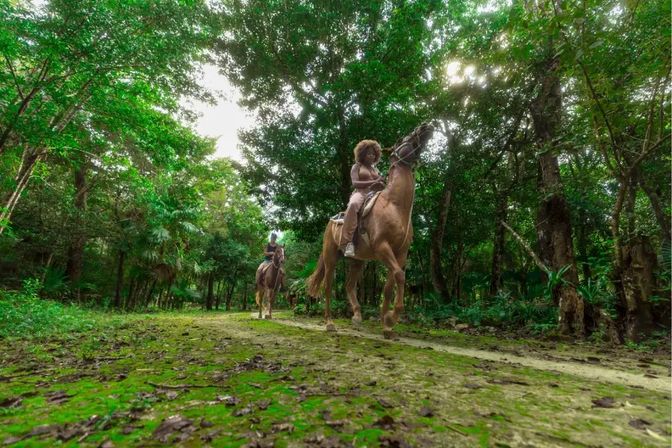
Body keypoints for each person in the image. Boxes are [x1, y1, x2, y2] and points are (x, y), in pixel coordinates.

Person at [339, 140, 385, 257]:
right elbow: (355, 183)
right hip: (361, 193)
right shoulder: (356, 166)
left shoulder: (376, 170)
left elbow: (381, 185)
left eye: (374, 153)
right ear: (362, 154)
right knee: (353, 205)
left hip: (375, 194)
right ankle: (348, 242)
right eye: (369, 153)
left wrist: (383, 183)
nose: (372, 155)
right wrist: (375, 181)